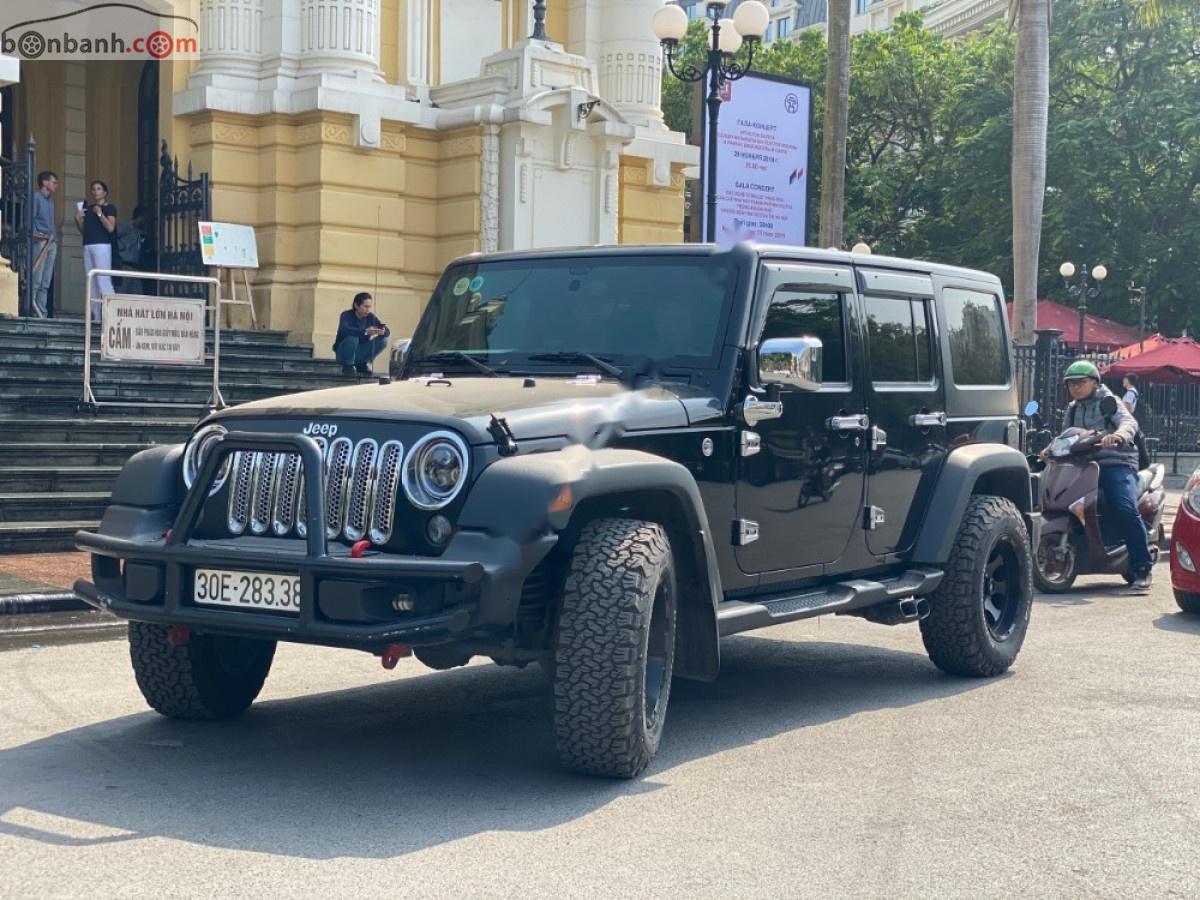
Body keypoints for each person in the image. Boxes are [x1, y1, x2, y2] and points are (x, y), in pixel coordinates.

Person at [1056, 360, 1153, 589]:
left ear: (1095, 383)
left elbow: (1129, 422)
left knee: (1123, 506)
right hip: (1084, 466)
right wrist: (1051, 448)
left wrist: (1118, 435)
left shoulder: (1110, 402)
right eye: (1071, 383)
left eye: (1081, 382)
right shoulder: (1072, 409)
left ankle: (1141, 566)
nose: (1076, 387)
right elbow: (1065, 437)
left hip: (1115, 462)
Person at [74, 179, 117, 321]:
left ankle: (110, 315)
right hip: (88, 245)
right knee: (91, 282)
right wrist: (78, 220)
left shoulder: (109, 208)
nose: (96, 191)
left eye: (99, 189)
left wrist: (100, 214)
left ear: (105, 192)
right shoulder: (89, 208)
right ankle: (96, 317)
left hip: (102, 245)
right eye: (94, 189)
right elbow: (85, 231)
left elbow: (110, 227)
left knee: (103, 280)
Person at [333, 292, 390, 377]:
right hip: (343, 353)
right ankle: (348, 366)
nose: (368, 310)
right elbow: (344, 330)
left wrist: (382, 331)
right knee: (353, 338)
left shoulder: (370, 317)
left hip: (360, 352)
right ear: (356, 305)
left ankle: (362, 364)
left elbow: (387, 331)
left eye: (369, 307)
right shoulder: (346, 315)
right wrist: (365, 331)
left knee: (383, 340)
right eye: (365, 307)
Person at [29, 170, 58, 318]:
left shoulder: (50, 201)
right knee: (37, 278)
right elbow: (30, 219)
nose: (56, 185)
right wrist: (39, 236)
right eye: (54, 182)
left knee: (46, 281)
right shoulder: (36, 197)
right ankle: (32, 310)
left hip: (52, 242)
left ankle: (42, 313)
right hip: (41, 242)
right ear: (45, 182)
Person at [115, 205, 149, 294]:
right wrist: (122, 248)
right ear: (140, 217)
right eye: (144, 218)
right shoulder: (126, 226)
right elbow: (114, 236)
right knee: (121, 293)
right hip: (124, 265)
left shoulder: (140, 231)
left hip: (135, 267)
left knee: (137, 295)